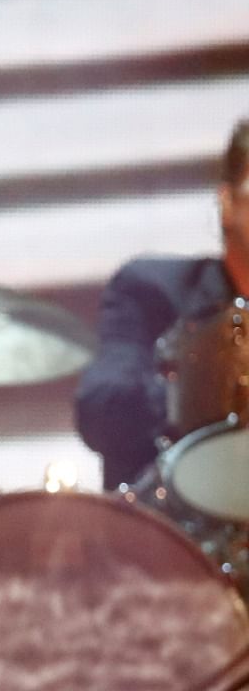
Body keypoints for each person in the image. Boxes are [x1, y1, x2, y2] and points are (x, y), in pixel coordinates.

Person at [75, 118, 249, 490]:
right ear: (227, 202)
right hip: (177, 535)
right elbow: (99, 411)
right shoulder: (152, 290)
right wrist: (199, 388)